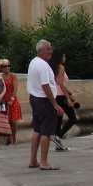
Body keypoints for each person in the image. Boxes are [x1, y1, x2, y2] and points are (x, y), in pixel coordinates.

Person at [27, 39, 64, 171]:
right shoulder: (43, 65)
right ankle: (44, 162)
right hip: (44, 100)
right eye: (48, 49)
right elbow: (45, 86)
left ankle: (33, 160)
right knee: (46, 132)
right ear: (40, 50)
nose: (50, 51)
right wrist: (55, 104)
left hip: (35, 98)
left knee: (37, 130)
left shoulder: (33, 62)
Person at [48, 50, 77, 151]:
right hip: (61, 96)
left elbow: (58, 83)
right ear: (60, 57)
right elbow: (61, 83)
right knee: (72, 118)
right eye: (64, 56)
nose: (65, 58)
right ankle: (58, 136)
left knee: (59, 119)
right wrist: (68, 98)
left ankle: (58, 144)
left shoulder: (52, 67)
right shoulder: (60, 67)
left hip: (55, 95)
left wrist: (69, 93)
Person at [0, 59, 21, 144]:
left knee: (14, 120)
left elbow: (15, 88)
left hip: (13, 99)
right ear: (2, 68)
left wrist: (12, 99)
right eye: (5, 66)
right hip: (4, 99)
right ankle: (10, 139)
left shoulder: (13, 76)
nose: (7, 67)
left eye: (9, 65)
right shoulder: (1, 76)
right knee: (7, 120)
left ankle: (14, 136)